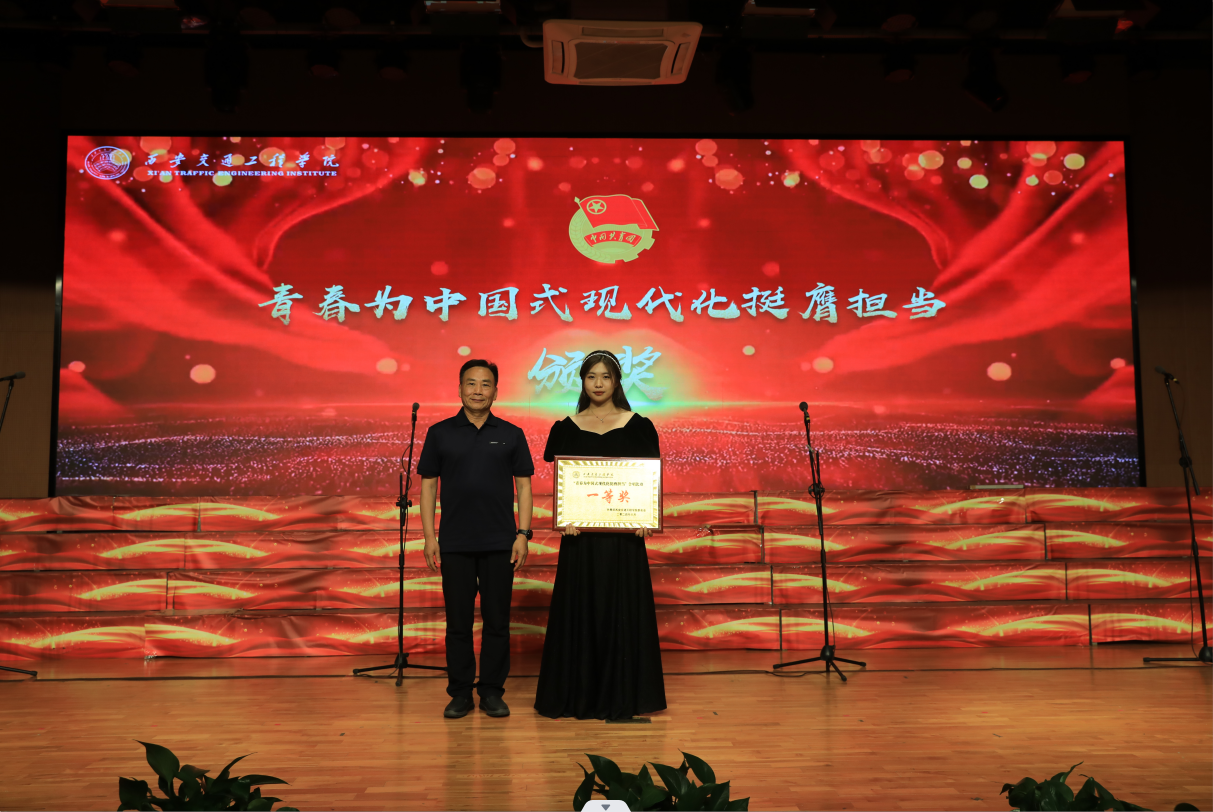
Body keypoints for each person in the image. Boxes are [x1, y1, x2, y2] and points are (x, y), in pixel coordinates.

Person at [534, 350, 667, 720]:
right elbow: (563, 482)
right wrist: (564, 517)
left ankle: (622, 697)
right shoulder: (565, 427)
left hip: (626, 542)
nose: (598, 383)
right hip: (580, 541)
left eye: (605, 377)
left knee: (622, 613)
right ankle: (580, 698)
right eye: (591, 376)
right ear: (581, 381)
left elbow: (649, 479)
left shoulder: (639, 426)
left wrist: (646, 516)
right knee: (581, 613)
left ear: (617, 382)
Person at [418, 359, 535, 719]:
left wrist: (523, 534)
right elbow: (428, 487)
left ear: (496, 392)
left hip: (501, 543)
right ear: (459, 389)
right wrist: (430, 537)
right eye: (471, 383)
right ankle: (460, 693)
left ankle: (492, 692)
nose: (478, 390)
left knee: (497, 623)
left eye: (486, 384)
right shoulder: (440, 433)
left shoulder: (512, 433)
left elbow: (524, 487)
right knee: (458, 624)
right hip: (454, 544)